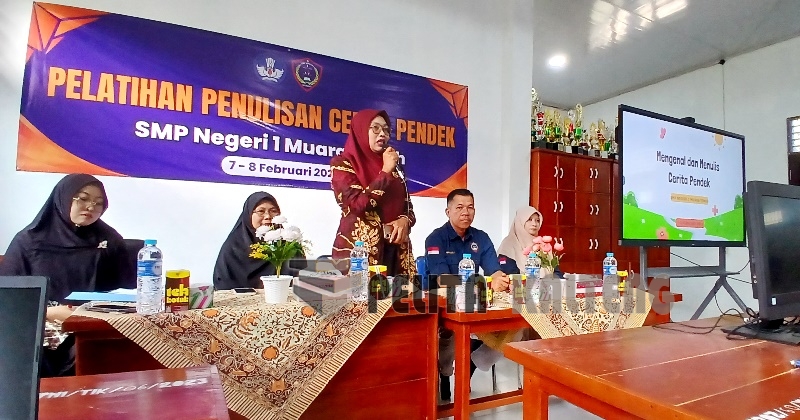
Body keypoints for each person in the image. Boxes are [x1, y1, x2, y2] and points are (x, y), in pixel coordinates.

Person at [0, 173, 136, 376]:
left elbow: (128, 287)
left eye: (98, 203)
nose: (91, 207)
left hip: (93, 320)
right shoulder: (29, 241)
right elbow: (9, 300)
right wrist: (48, 313)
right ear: (63, 199)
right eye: (83, 199)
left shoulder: (108, 239)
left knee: (123, 346)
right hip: (43, 321)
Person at [424, 188, 509, 401]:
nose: (466, 212)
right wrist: (476, 284)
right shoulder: (435, 238)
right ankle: (445, 372)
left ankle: (474, 360)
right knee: (450, 333)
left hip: (475, 297)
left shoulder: (481, 238)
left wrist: (499, 279)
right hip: (444, 299)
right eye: (460, 207)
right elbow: (442, 279)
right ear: (448, 211)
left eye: (470, 207)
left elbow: (494, 271)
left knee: (513, 323)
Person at [330, 109, 416, 276]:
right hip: (359, 253)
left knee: (400, 293)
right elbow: (357, 205)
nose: (382, 133)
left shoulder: (394, 167)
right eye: (375, 128)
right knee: (361, 293)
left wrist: (405, 220)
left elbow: (408, 208)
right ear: (361, 131)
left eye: (386, 129)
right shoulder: (342, 164)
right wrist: (385, 172)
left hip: (396, 252)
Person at [213, 192, 304, 290]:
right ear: (249, 215)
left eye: (273, 211)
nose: (268, 216)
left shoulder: (290, 246)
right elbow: (223, 282)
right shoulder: (233, 246)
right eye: (261, 211)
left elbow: (303, 281)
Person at [496, 205, 562, 277]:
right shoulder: (508, 244)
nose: (534, 224)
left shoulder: (542, 245)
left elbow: (556, 273)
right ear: (520, 221)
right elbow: (509, 273)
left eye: (537, 220)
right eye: (529, 220)